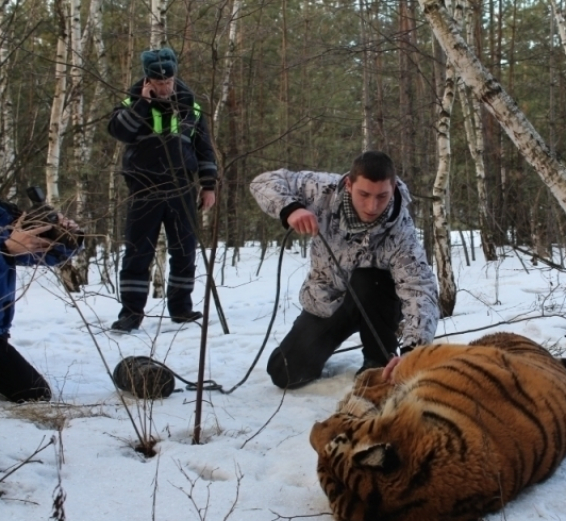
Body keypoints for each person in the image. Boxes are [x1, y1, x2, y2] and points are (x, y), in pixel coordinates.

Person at [250, 150, 439, 389]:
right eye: (364, 194)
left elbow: (420, 290)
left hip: (376, 303)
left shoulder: (401, 232)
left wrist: (414, 351)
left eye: (382, 196)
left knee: (368, 279)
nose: (372, 206)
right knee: (285, 372)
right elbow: (262, 182)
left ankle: (377, 359)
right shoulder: (322, 190)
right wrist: (291, 209)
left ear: (393, 188)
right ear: (349, 184)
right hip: (328, 301)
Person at [107, 47, 218, 332]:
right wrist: (142, 103)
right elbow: (120, 132)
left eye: (168, 82)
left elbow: (203, 148)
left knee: (184, 251)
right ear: (148, 81)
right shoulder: (131, 102)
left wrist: (208, 185)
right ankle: (131, 313)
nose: (165, 87)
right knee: (137, 252)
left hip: (181, 186)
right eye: (158, 83)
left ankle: (181, 309)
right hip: (143, 188)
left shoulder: (190, 105)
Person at [1, 201, 80, 402]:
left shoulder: (4, 215)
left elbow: (43, 254)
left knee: (34, 394)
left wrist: (65, 237)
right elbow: (9, 248)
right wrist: (5, 248)